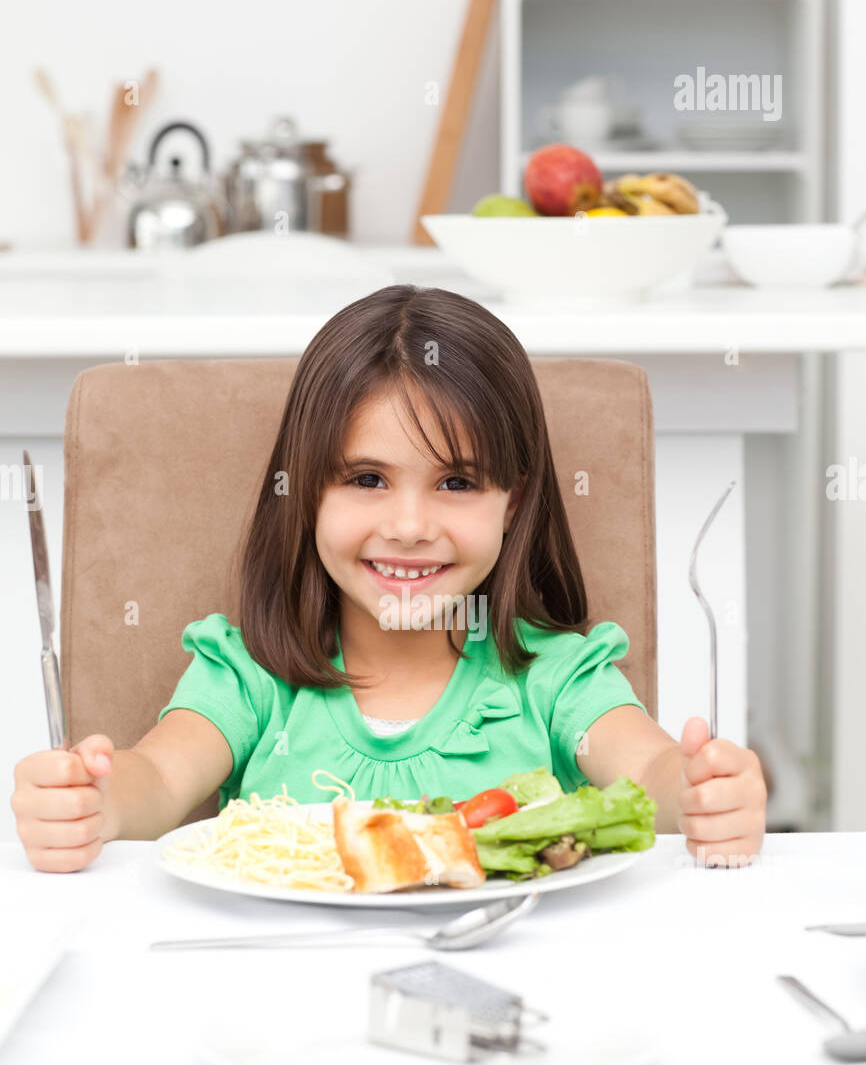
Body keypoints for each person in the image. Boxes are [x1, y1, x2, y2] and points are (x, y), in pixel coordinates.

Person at [11, 285, 766, 872]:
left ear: (516, 503)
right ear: (303, 491)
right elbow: (158, 781)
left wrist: (700, 793)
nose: (408, 526)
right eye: (367, 479)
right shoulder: (250, 676)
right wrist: (98, 802)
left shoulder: (557, 678)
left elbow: (650, 777)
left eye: (458, 483)